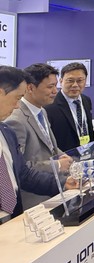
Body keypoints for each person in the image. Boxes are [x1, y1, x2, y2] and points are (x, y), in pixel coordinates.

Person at [0, 66, 73, 223]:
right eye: (17, 98)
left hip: (10, 216)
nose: (17, 106)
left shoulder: (6, 132)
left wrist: (63, 183)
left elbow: (24, 174)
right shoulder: (15, 121)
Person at [45, 62, 94, 152]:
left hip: (86, 153)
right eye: (70, 80)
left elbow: (89, 128)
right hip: (63, 156)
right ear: (61, 81)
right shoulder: (49, 105)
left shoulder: (86, 100)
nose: (75, 85)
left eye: (80, 80)